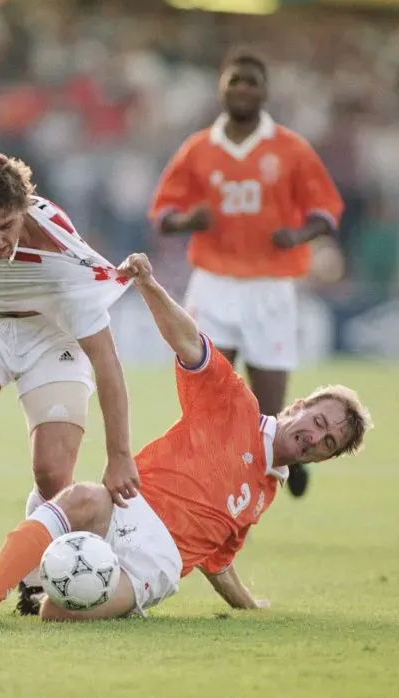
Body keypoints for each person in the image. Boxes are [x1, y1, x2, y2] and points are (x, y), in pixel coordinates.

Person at [0, 253, 372, 627]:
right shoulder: (234, 402)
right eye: (318, 421)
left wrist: (249, 605)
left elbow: (218, 563)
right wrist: (148, 285)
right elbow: (189, 341)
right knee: (82, 498)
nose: (316, 437)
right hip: (128, 505)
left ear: (323, 459)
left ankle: (42, 579)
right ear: (296, 407)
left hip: (157, 565)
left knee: (58, 614)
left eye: (328, 442)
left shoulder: (265, 492)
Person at [0, 149, 140, 612]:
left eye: (6, 227)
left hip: (51, 335)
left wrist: (119, 457)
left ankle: (33, 577)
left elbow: (108, 365)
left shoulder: (63, 259)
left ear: (25, 208)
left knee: (53, 472)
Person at [149, 48, 344, 499]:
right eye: (234, 80)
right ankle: (207, 485)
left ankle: (281, 467)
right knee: (208, 390)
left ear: (265, 90)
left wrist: (298, 237)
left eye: (251, 81)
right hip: (214, 282)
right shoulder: (199, 148)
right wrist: (186, 222)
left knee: (268, 400)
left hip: (271, 285)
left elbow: (327, 210)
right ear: (222, 88)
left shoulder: (290, 148)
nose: (242, 89)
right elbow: (163, 213)